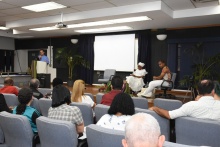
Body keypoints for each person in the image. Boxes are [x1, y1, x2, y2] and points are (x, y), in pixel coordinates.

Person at [149, 79, 220, 121]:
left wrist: (156, 108)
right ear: (213, 91)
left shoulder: (190, 106)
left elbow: (169, 115)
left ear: (198, 91)